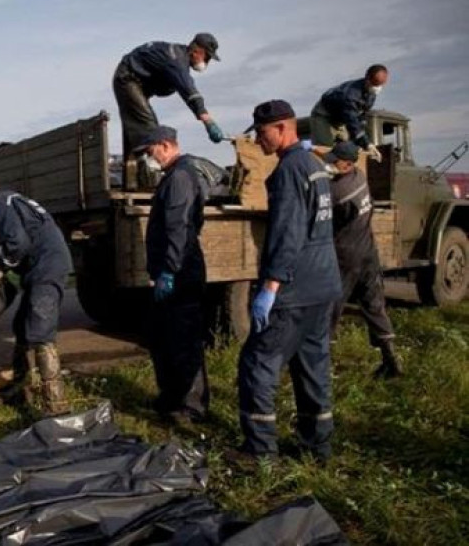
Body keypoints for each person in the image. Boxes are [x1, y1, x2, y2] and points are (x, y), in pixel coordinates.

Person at [236, 100, 342, 463]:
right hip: (323, 285)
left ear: (283, 128)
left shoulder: (289, 171)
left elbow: (287, 234)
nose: (258, 140)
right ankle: (318, 447)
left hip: (293, 290)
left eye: (262, 132)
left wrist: (270, 288)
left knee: (258, 363)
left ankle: (260, 450)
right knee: (313, 366)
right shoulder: (316, 165)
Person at [0, 177, 73, 416]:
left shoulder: (1, 202)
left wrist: (1, 267)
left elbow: (18, 242)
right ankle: (21, 386)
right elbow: (23, 231)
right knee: (22, 326)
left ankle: (55, 405)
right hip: (40, 269)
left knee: (40, 331)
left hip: (47, 268)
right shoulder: (10, 202)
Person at [138, 125, 209, 424]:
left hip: (181, 273)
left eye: (150, 150)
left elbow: (178, 227)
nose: (147, 157)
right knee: (162, 337)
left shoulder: (180, 176)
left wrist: (170, 269)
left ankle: (192, 407)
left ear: (166, 145)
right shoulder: (173, 176)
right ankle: (171, 398)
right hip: (172, 271)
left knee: (185, 339)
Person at [324, 141, 402, 378]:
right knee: (373, 306)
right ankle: (392, 359)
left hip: (345, 257)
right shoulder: (359, 177)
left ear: (347, 164)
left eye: (334, 161)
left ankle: (321, 365)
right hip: (368, 253)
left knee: (330, 309)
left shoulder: (338, 193)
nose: (329, 164)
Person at [113, 33, 225, 163]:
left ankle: (135, 166)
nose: (206, 62)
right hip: (127, 78)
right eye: (207, 58)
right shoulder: (176, 61)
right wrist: (208, 122)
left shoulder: (179, 57)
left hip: (136, 82)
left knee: (138, 126)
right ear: (197, 51)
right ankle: (152, 167)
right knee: (149, 130)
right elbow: (189, 91)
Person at [310, 64, 389, 161]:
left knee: (348, 150)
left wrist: (367, 143)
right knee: (326, 149)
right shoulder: (350, 95)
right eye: (375, 84)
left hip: (340, 119)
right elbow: (352, 122)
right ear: (367, 78)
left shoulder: (370, 94)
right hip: (323, 116)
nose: (377, 88)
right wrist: (367, 144)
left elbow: (361, 118)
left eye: (380, 85)